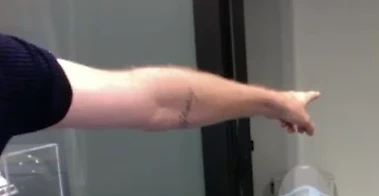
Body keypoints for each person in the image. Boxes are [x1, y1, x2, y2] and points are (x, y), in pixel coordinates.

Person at [0, 33, 320, 154]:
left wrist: (277, 103)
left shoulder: (10, 69)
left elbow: (158, 101)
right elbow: (157, 101)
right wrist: (277, 103)